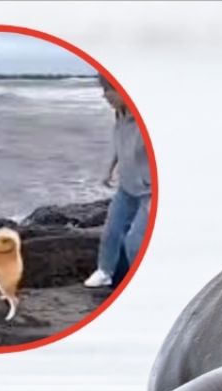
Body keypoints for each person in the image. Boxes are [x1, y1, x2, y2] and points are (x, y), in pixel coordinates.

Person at [84, 76, 152, 288]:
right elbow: (121, 145)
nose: (105, 96)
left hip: (149, 191)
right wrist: (109, 170)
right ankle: (105, 272)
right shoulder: (120, 115)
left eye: (108, 90)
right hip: (126, 187)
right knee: (110, 232)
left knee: (134, 242)